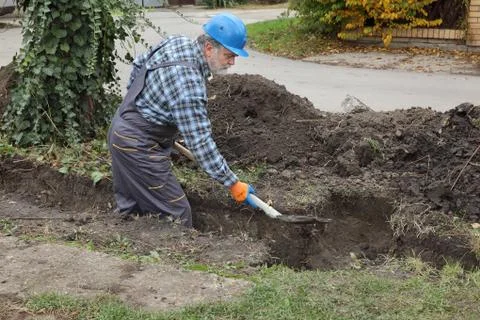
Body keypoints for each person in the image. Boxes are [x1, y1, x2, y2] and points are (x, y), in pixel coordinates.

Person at [107, 13, 256, 228]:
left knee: (132, 209)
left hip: (122, 128)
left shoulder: (178, 41)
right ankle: (159, 259)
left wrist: (143, 108)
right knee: (177, 214)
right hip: (136, 145)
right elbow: (201, 143)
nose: (232, 62)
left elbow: (140, 64)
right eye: (228, 55)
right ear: (208, 48)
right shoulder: (188, 84)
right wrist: (232, 183)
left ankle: (127, 249)